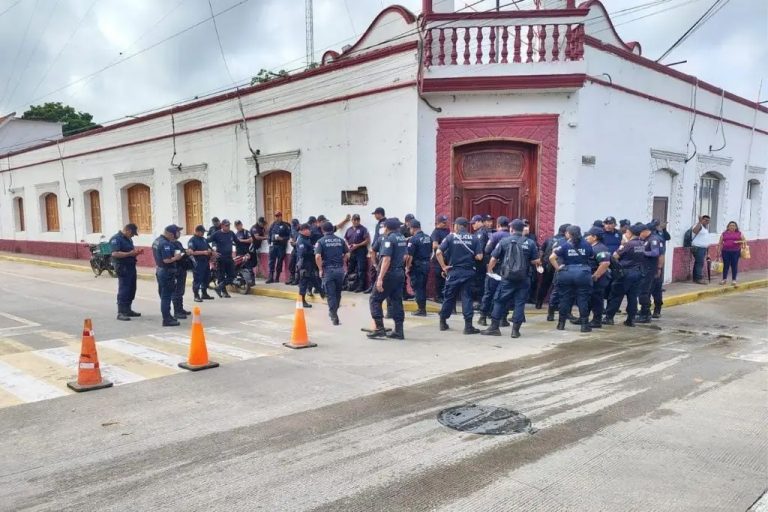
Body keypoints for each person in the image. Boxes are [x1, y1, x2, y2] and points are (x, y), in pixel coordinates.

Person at [480, 219, 539, 338]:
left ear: (511, 229)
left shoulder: (504, 241)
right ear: (523, 230)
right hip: (524, 278)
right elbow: (535, 261)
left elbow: (493, 258)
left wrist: (490, 270)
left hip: (507, 278)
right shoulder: (530, 243)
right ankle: (515, 331)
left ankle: (494, 327)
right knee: (520, 303)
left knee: (499, 300)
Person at [435, 217, 483, 334]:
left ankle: (443, 322)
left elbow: (438, 252)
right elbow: (479, 257)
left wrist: (443, 266)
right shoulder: (474, 238)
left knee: (449, 297)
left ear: (457, 226)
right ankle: (468, 326)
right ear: (466, 226)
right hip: (468, 272)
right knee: (467, 298)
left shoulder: (451, 237)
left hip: (453, 272)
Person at [368, 218, 408, 339]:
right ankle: (399, 331)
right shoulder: (401, 238)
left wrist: (380, 278)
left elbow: (386, 259)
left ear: (387, 227)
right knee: (396, 301)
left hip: (389, 274)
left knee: (374, 299)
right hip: (400, 273)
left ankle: (380, 328)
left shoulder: (388, 239)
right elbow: (405, 256)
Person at [549, 225, 594, 332]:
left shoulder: (564, 245)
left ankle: (561, 324)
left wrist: (558, 268)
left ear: (569, 234)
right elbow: (591, 256)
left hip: (566, 273)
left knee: (565, 299)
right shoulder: (587, 244)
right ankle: (584, 325)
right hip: (582, 273)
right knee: (582, 299)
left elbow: (551, 258)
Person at [604, 223, 647, 327]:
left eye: (627, 232)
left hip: (626, 273)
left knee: (616, 296)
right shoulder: (642, 243)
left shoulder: (628, 244)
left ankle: (609, 318)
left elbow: (615, 256)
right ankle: (631, 319)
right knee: (632, 297)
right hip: (638, 273)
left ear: (630, 233)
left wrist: (622, 245)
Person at [478, 216, 511, 326]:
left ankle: (483, 317)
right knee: (505, 294)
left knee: (488, 293)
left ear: (498, 225)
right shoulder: (512, 237)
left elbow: (487, 250)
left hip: (494, 267)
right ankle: (503, 318)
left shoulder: (495, 236)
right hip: (508, 270)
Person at [315, 221, 349, 325]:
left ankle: (333, 314)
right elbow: (347, 253)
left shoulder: (321, 241)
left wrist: (320, 269)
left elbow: (317, 256)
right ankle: (335, 311)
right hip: (339, 270)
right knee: (338, 293)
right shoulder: (340, 240)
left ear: (322, 230)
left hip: (328, 270)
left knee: (330, 294)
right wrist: (343, 263)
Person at [152, 225, 185, 327]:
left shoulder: (157, 240)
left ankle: (168, 316)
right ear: (171, 233)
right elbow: (166, 260)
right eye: (177, 232)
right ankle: (167, 319)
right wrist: (177, 257)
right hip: (166, 271)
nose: (177, 235)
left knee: (164, 295)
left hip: (160, 270)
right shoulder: (165, 244)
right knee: (166, 296)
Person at [110, 223, 143, 321]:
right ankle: (121, 312)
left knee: (132, 289)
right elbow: (115, 253)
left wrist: (136, 253)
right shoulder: (116, 239)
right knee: (124, 289)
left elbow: (130, 252)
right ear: (127, 230)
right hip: (122, 266)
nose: (133, 236)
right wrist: (130, 253)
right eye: (132, 234)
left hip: (131, 265)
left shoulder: (128, 239)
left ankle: (128, 309)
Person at [537, 223, 570, 317]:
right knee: (557, 287)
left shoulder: (549, 239)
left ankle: (539, 303)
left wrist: (540, 262)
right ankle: (556, 307)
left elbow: (541, 251)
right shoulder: (566, 241)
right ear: (566, 232)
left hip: (548, 265)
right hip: (559, 266)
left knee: (544, 284)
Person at [584, 227, 612, 328]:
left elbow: (605, 263)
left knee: (597, 299)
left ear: (595, 237)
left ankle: (597, 320)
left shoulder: (600, 248)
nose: (586, 238)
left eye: (589, 235)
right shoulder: (592, 247)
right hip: (592, 278)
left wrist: (596, 276)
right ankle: (584, 317)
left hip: (599, 278)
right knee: (590, 299)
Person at [637, 222, 663, 323]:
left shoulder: (653, 239)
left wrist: (643, 252)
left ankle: (645, 315)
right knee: (643, 292)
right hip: (644, 269)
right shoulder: (645, 239)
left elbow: (655, 253)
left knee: (644, 292)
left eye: (640, 233)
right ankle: (645, 312)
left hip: (649, 269)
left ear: (644, 231)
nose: (639, 235)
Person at [405, 219, 432, 316]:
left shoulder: (413, 239)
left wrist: (407, 267)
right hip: (426, 264)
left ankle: (421, 310)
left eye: (410, 229)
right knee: (423, 287)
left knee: (417, 288)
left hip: (417, 266)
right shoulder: (428, 237)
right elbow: (431, 251)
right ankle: (422, 308)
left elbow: (409, 256)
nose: (409, 231)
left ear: (413, 228)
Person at [207, 219, 237, 298]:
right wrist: (212, 251)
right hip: (220, 258)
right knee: (221, 276)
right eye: (226, 225)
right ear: (222, 226)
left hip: (229, 257)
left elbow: (237, 241)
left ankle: (219, 287)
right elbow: (206, 241)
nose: (228, 227)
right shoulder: (217, 234)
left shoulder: (231, 233)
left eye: (229, 225)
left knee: (233, 275)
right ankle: (224, 292)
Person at [188, 225, 216, 302]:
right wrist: (203, 252)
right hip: (198, 263)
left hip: (206, 262)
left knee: (206, 278)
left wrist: (212, 252)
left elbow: (209, 248)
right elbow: (191, 252)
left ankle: (204, 293)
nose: (203, 233)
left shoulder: (203, 239)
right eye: (202, 232)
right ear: (197, 231)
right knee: (197, 279)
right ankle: (196, 295)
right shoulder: (192, 240)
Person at [170, 229, 192, 320]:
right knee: (177, 291)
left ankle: (180, 308)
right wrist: (185, 253)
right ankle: (177, 311)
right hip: (176, 269)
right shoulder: (171, 244)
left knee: (181, 290)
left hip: (182, 269)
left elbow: (182, 252)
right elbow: (177, 256)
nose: (179, 233)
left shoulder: (178, 243)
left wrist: (186, 252)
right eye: (177, 231)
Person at [345, 214, 370, 293]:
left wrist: (357, 245)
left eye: (357, 220)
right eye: (354, 220)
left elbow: (367, 240)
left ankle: (360, 286)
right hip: (352, 251)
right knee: (351, 269)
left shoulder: (363, 229)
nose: (356, 221)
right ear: (352, 220)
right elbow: (345, 239)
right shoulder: (349, 229)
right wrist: (348, 247)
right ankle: (350, 285)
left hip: (361, 251)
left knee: (361, 269)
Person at [366, 207, 388, 294]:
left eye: (375, 214)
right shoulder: (379, 223)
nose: (374, 216)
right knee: (373, 269)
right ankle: (372, 286)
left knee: (377, 269)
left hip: (380, 250)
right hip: (376, 249)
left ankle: (376, 287)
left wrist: (375, 248)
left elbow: (381, 237)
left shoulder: (383, 223)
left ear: (379, 214)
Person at [294, 223, 316, 308]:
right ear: (303, 230)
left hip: (308, 264)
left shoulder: (306, 239)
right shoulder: (301, 240)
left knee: (306, 282)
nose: (310, 231)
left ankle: (302, 300)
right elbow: (303, 253)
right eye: (308, 229)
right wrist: (313, 251)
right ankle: (302, 301)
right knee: (303, 283)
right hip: (304, 264)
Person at [717, 221, 746, 286]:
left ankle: (734, 280)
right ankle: (724, 279)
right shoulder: (724, 233)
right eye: (730, 225)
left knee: (734, 265)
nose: (732, 227)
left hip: (735, 251)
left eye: (733, 225)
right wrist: (718, 251)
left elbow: (744, 241)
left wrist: (738, 241)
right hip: (725, 251)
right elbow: (720, 243)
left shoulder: (739, 233)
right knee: (726, 265)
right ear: (728, 227)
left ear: (736, 227)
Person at [266, 211, 291, 283]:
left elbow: (289, 236)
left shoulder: (285, 225)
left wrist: (282, 239)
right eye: (276, 216)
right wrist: (269, 243)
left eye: (278, 216)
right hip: (273, 246)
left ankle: (277, 277)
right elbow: (269, 234)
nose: (277, 217)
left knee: (279, 262)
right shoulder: (273, 225)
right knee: (271, 262)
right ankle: (270, 277)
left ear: (281, 216)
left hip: (281, 246)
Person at [430, 215, 451, 303]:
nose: (445, 224)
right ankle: (438, 296)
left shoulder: (447, 231)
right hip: (439, 258)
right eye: (443, 222)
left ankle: (444, 295)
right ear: (437, 223)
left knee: (445, 277)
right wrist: (445, 247)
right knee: (439, 277)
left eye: (446, 222)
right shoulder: (436, 232)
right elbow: (434, 245)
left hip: (446, 258)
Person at [471, 214, 489, 306]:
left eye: (474, 223)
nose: (472, 225)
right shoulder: (486, 231)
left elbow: (479, 254)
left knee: (480, 283)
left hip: (481, 263)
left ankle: (481, 303)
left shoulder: (480, 233)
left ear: (479, 222)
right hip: (486, 262)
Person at [690, 215, 711, 284]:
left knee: (698, 262)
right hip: (698, 247)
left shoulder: (705, 228)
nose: (706, 221)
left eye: (708, 220)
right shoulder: (699, 226)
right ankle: (699, 278)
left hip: (703, 248)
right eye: (705, 220)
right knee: (700, 263)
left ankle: (695, 278)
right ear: (702, 220)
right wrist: (699, 222)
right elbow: (694, 231)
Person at [286, 218, 300, 285]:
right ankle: (292, 278)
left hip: (300, 250)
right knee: (291, 264)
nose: (294, 227)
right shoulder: (293, 229)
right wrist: (291, 241)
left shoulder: (302, 230)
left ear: (298, 224)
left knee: (298, 265)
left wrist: (294, 243)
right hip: (294, 249)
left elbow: (301, 242)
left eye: (295, 226)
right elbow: (291, 236)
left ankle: (297, 280)